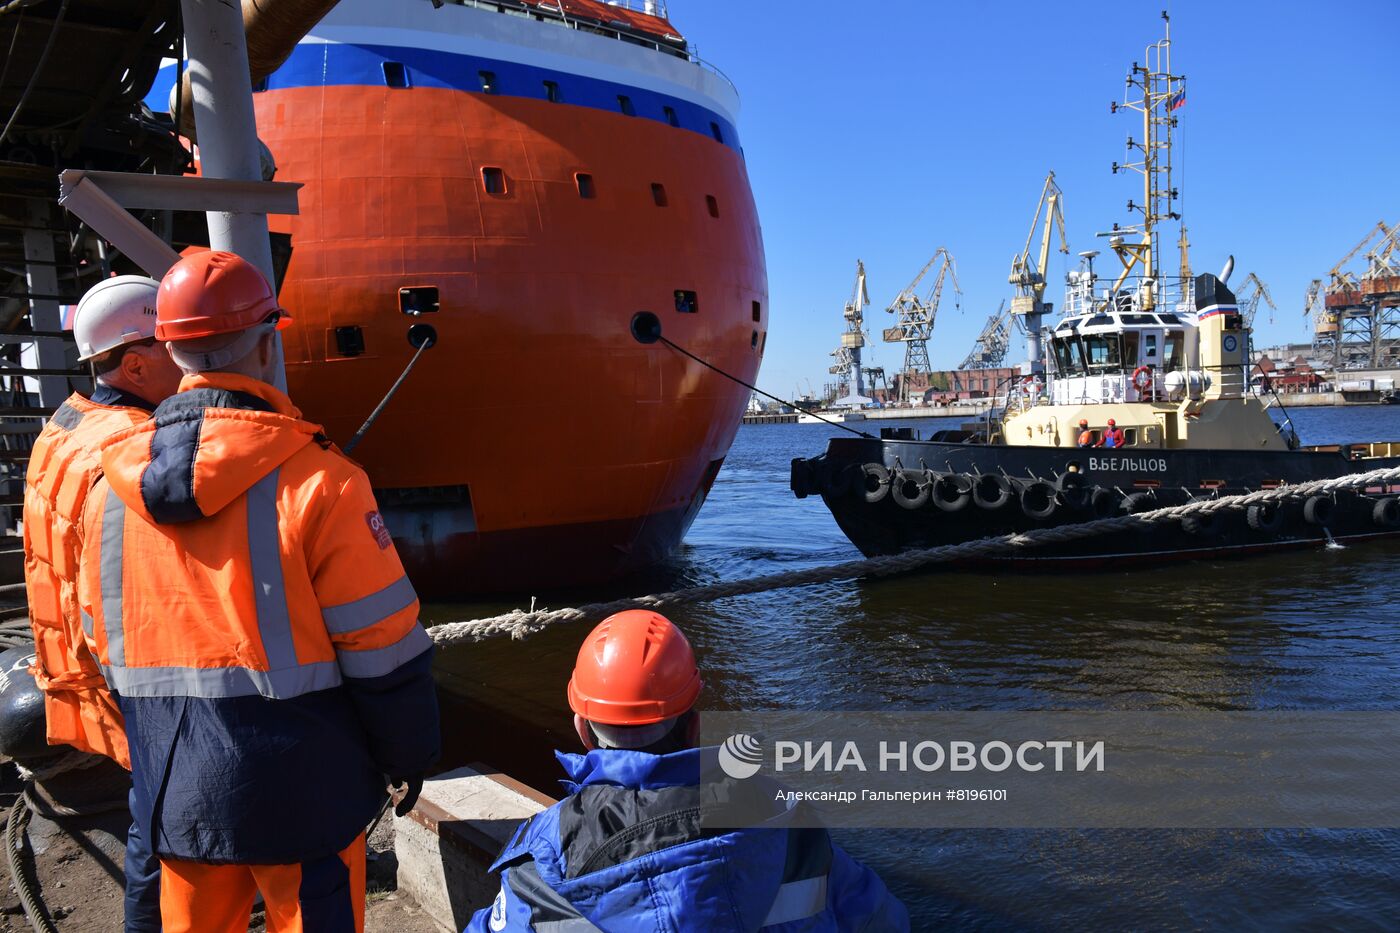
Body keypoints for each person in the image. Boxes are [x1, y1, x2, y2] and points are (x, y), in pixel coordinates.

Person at [77, 251, 440, 933]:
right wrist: (407, 757)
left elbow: (98, 644)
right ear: (268, 339)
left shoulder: (109, 494)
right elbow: (384, 650)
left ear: (170, 348)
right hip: (305, 803)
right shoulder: (323, 483)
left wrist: (161, 759)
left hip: (175, 798)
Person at [467, 610, 909, 932]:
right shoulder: (786, 822)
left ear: (582, 727)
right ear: (695, 724)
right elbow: (881, 918)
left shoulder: (544, 857)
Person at [23, 274, 185, 932]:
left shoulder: (67, 424)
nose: (190, 357)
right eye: (176, 344)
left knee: (153, 812)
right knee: (164, 819)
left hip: (75, 669)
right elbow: (141, 595)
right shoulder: (128, 451)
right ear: (138, 361)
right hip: (131, 687)